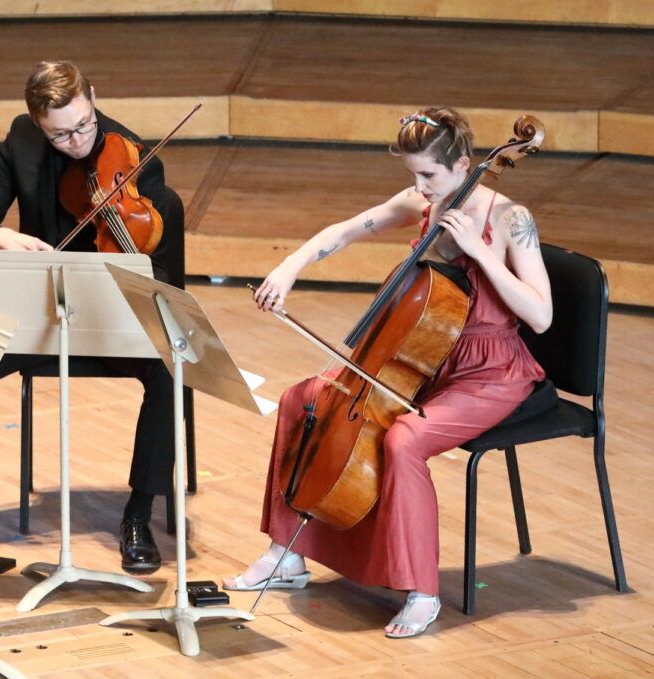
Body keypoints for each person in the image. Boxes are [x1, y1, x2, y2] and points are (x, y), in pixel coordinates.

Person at [226, 107, 552, 638]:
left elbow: (541, 315)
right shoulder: (422, 202)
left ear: (463, 165)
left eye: (429, 174)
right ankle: (286, 552)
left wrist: (478, 251)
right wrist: (288, 268)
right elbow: (344, 230)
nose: (419, 188)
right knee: (302, 400)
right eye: (412, 175)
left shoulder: (512, 218)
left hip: (490, 372)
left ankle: (422, 592)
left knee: (403, 440)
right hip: (426, 359)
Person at [0, 60, 186, 574]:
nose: (77, 141)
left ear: (92, 97)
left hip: (112, 321)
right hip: (40, 321)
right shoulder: (22, 141)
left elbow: (162, 275)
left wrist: (121, 246)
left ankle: (137, 514)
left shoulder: (136, 159)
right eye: (60, 134)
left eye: (83, 125)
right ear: (38, 123)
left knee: (172, 368)